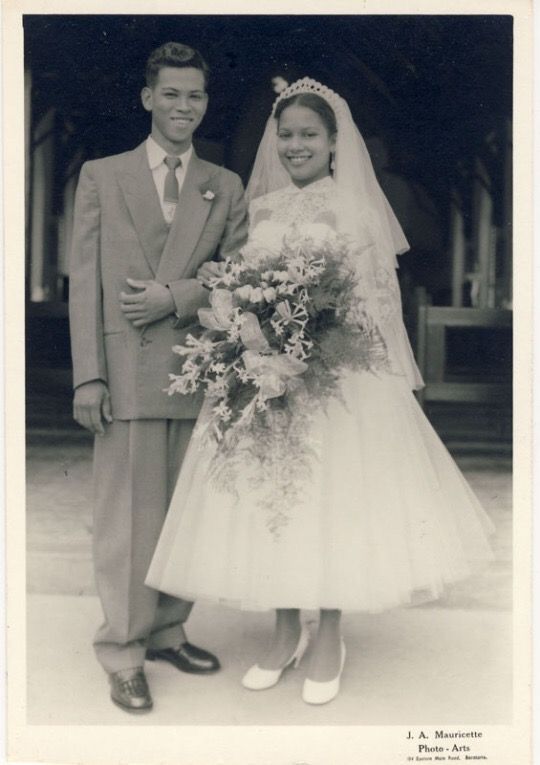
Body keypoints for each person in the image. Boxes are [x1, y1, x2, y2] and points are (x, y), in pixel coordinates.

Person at [145, 78, 494, 705]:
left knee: (333, 500)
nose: (296, 145)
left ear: (336, 143)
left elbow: (375, 309)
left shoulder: (357, 211)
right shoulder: (265, 211)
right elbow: (241, 284)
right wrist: (251, 336)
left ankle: (329, 630)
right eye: (286, 136)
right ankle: (284, 630)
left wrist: (315, 344)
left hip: (338, 379)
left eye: (309, 135)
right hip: (266, 374)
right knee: (268, 498)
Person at [68, 42, 248, 713]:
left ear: (206, 102)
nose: (183, 106)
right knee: (127, 520)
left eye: (194, 95)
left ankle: (168, 629)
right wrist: (90, 377)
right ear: (147, 98)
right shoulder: (101, 177)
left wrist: (175, 296)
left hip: (194, 371)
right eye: (171, 93)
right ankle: (122, 648)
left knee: (183, 515)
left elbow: (235, 276)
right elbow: (84, 280)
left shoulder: (223, 185)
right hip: (125, 370)